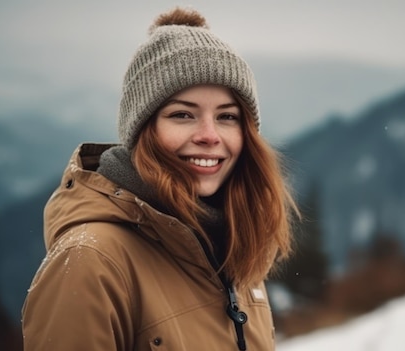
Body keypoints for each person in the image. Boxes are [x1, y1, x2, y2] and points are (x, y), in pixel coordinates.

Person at [21, 7, 298, 351]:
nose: (210, 135)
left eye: (227, 116)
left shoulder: (237, 248)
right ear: (142, 130)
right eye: (182, 114)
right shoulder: (90, 262)